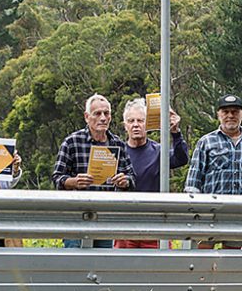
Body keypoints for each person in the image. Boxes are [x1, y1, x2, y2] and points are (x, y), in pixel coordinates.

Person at [52, 93, 136, 248]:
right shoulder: (72, 142)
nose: (103, 118)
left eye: (106, 113)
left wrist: (124, 181)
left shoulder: (118, 144)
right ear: (86, 117)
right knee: (75, 264)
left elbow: (132, 178)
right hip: (76, 218)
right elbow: (57, 178)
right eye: (97, 113)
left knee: (102, 265)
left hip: (105, 217)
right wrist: (74, 182)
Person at [185, 94, 242, 249]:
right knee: (202, 261)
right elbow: (193, 183)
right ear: (218, 114)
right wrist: (195, 214)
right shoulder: (206, 142)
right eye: (225, 112)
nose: (230, 115)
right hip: (208, 214)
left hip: (238, 214)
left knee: (232, 263)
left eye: (235, 111)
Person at [118, 97, 189, 248]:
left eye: (140, 120)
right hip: (125, 226)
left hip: (154, 225)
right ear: (125, 126)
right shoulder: (117, 153)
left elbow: (181, 159)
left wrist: (175, 132)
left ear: (147, 123)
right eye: (131, 121)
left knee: (158, 269)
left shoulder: (158, 151)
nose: (136, 125)